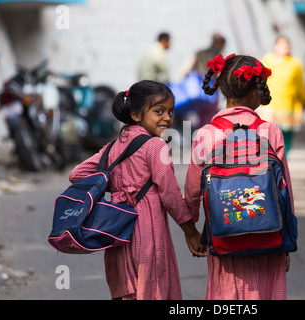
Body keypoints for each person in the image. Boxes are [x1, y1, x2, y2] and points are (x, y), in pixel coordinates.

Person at [69, 80, 205, 300]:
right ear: (135, 115)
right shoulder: (155, 146)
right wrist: (190, 231)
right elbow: (170, 194)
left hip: (116, 230)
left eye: (170, 111)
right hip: (147, 231)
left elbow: (77, 173)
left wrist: (116, 188)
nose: (167, 117)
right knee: (152, 288)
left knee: (128, 288)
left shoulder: (112, 147)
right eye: (158, 111)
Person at [184, 54, 295, 299]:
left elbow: (192, 190)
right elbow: (284, 189)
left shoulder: (206, 135)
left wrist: (191, 230)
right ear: (256, 93)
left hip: (223, 237)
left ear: (223, 89)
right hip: (269, 237)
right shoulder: (270, 131)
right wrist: (287, 238)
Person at [260, 36, 305, 157]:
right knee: (268, 135)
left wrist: (304, 100)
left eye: (287, 45)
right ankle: (269, 162)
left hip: (289, 105)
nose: (285, 48)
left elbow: (300, 85)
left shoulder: (295, 63)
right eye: (282, 45)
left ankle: (282, 161)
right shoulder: (267, 60)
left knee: (285, 138)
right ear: (275, 46)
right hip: (270, 105)